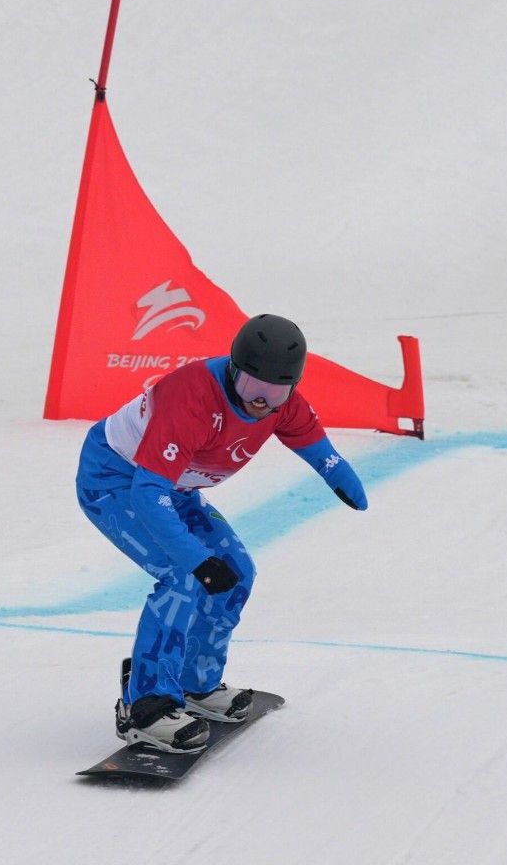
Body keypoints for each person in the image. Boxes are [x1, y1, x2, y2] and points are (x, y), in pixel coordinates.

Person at [75, 314, 369, 752]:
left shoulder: (282, 404)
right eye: (252, 388)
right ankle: (146, 705)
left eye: (276, 393)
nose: (262, 402)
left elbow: (316, 446)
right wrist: (197, 560)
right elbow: (147, 495)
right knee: (184, 574)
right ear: (233, 370)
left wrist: (340, 476)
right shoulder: (191, 399)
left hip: (173, 488)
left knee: (236, 572)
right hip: (117, 481)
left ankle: (194, 683)